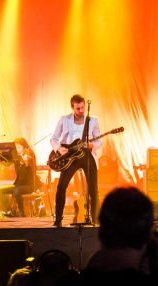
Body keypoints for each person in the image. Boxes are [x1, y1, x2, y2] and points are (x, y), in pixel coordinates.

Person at [50, 94, 101, 227]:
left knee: (93, 188)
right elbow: (54, 138)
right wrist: (59, 148)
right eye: (78, 108)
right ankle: (58, 220)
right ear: (72, 107)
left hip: (86, 154)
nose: (81, 111)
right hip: (69, 156)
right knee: (61, 186)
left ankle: (95, 221)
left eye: (83, 107)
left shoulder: (93, 120)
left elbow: (99, 140)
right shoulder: (64, 119)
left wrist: (92, 145)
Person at [0, 137, 37, 217]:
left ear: (25, 147)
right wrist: (1, 160)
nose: (17, 150)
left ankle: (21, 211)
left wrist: (26, 164)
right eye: (15, 148)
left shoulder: (30, 155)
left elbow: (33, 172)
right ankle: (10, 210)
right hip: (18, 184)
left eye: (19, 147)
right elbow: (7, 162)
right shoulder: (16, 156)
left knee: (16, 190)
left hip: (29, 185)